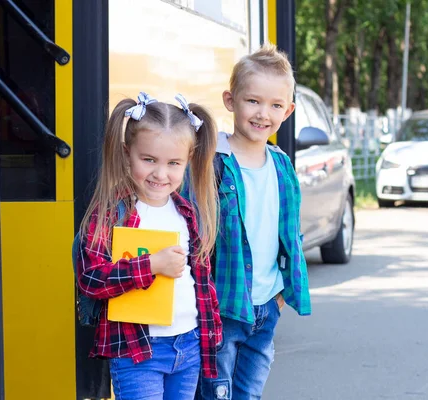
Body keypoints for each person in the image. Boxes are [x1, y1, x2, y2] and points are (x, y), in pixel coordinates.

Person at [76, 92, 223, 400]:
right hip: (137, 351)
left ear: (188, 161)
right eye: (149, 160)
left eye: (173, 163)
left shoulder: (188, 213)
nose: (160, 173)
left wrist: (209, 335)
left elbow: (201, 284)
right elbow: (90, 279)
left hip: (188, 344)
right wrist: (152, 265)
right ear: (128, 153)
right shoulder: (113, 212)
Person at [196, 44, 311, 399]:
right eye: (253, 101)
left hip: (266, 305)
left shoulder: (281, 165)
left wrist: (279, 295)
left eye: (276, 105)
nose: (264, 113)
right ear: (230, 100)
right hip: (222, 307)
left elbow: (290, 233)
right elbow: (192, 235)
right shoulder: (211, 163)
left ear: (288, 110)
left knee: (249, 394)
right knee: (215, 393)